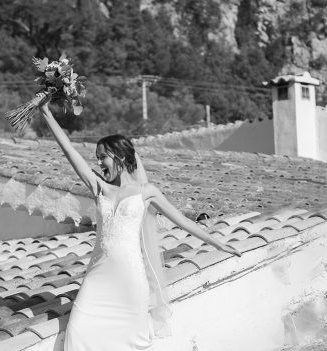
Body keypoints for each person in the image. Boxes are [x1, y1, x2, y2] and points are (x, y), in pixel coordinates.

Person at [38, 103, 241, 351]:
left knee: (129, 343)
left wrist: (219, 243)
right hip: (97, 278)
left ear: (119, 157)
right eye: (97, 158)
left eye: (102, 156)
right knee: (78, 332)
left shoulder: (147, 192)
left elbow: (184, 222)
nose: (99, 162)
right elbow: (69, 151)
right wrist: (46, 113)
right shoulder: (99, 187)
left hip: (130, 280)